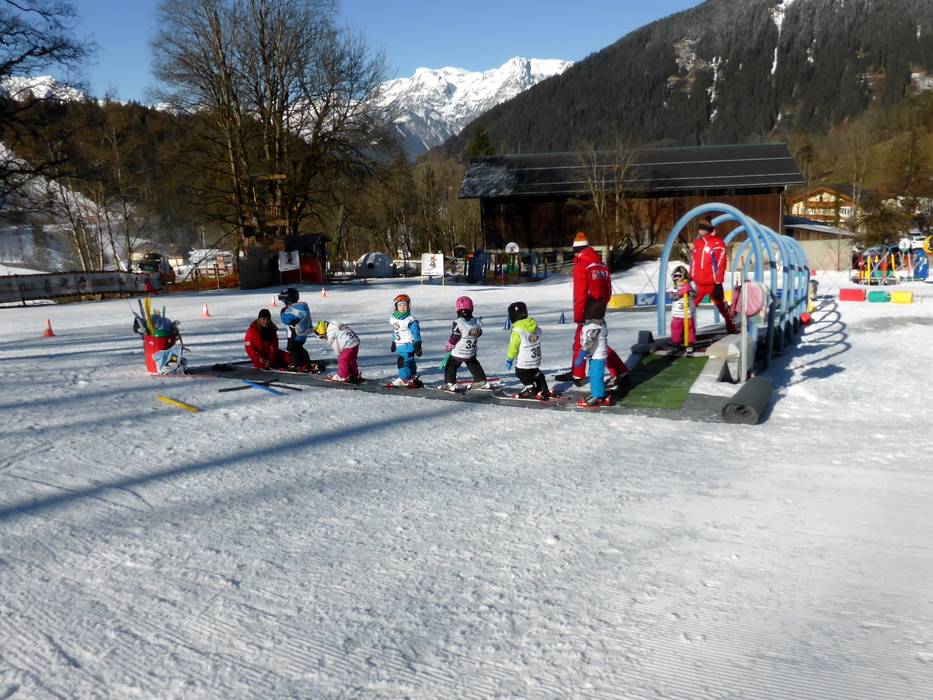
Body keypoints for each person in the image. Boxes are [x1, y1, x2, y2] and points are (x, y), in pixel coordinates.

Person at [556, 231, 628, 388]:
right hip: (599, 308)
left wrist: (578, 316)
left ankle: (582, 374)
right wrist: (602, 305)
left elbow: (580, 294)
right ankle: (579, 372)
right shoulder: (600, 264)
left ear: (576, 250)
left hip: (587, 310)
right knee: (592, 341)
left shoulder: (581, 265)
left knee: (587, 342)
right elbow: (608, 289)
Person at [689, 217, 738, 334]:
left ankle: (731, 327)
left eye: (703, 229)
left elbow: (721, 264)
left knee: (721, 307)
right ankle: (688, 332)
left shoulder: (717, 244)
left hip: (712, 283)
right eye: (699, 228)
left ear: (708, 229)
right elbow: (693, 262)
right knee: (689, 308)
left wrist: (718, 282)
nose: (700, 231)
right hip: (699, 284)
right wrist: (691, 275)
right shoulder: (697, 244)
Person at [442, 296, 492, 390]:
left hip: (459, 352)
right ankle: (480, 380)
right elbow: (479, 333)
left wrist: (450, 345)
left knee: (451, 365)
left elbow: (455, 336)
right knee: (474, 365)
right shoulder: (476, 322)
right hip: (471, 352)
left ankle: (450, 382)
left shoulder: (458, 323)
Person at [504, 301, 551, 400]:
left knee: (520, 373)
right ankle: (543, 388)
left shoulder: (518, 331)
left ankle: (530, 389)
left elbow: (513, 347)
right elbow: (540, 332)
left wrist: (510, 359)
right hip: (535, 358)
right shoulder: (534, 326)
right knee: (535, 372)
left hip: (524, 361)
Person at [574, 297, 615, 407]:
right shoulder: (595, 324)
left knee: (596, 376)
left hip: (597, 355)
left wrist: (581, 355)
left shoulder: (594, 327)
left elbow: (589, 343)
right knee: (593, 375)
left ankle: (597, 396)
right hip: (594, 355)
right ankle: (597, 393)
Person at [389, 293, 423, 387]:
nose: (403, 307)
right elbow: (396, 331)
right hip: (400, 344)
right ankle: (412, 375)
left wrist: (418, 344)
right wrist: (393, 342)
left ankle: (404, 378)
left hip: (408, 344)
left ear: (408, 306)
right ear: (396, 307)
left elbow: (416, 332)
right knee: (410, 360)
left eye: (405, 305)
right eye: (400, 305)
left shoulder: (410, 320)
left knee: (402, 361)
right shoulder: (394, 319)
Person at [278, 287, 314, 371]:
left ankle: (296, 365)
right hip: (303, 333)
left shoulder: (290, 309)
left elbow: (285, 320)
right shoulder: (301, 307)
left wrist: (283, 313)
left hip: (295, 333)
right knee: (299, 347)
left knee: (292, 348)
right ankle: (306, 363)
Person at [669, 265, 696, 354]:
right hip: (677, 315)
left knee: (689, 329)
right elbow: (672, 297)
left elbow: (694, 295)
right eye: (675, 276)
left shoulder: (689, 287)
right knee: (676, 329)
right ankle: (676, 343)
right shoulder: (673, 288)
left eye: (679, 276)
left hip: (688, 314)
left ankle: (690, 344)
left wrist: (689, 291)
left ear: (684, 277)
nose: (677, 279)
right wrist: (681, 292)